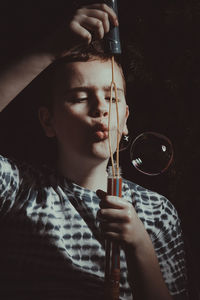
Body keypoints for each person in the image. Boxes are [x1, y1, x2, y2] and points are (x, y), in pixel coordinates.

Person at [0, 3, 188, 300]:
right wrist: (50, 51)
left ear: (126, 119)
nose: (100, 108)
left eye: (111, 98)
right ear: (48, 121)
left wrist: (140, 245)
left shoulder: (157, 212)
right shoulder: (20, 190)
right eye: (79, 97)